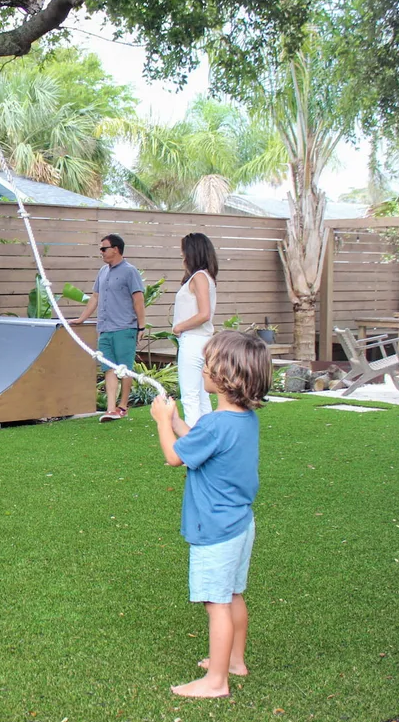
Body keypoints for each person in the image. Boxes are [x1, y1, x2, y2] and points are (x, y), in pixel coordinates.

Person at [149, 330, 272, 698]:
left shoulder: (217, 424)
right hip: (239, 523)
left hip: (215, 528)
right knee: (232, 594)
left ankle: (216, 682)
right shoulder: (241, 420)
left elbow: (175, 456)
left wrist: (159, 421)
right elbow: (196, 444)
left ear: (225, 376)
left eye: (208, 362)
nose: (203, 367)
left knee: (216, 604)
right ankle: (235, 661)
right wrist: (174, 422)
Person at [70, 234, 145, 421]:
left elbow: (138, 300)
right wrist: (81, 319)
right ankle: (111, 409)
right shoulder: (102, 271)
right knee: (108, 368)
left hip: (124, 328)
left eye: (104, 248)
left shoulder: (130, 271)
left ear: (116, 249)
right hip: (105, 328)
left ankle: (122, 406)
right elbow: (94, 297)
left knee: (124, 368)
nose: (101, 252)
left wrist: (141, 327)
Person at [171, 232, 219, 426]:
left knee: (191, 397)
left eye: (184, 251)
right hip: (202, 341)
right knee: (201, 397)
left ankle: (194, 448)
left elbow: (204, 314)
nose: (182, 256)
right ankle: (209, 442)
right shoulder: (206, 277)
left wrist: (179, 326)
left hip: (193, 340)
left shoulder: (199, 277)